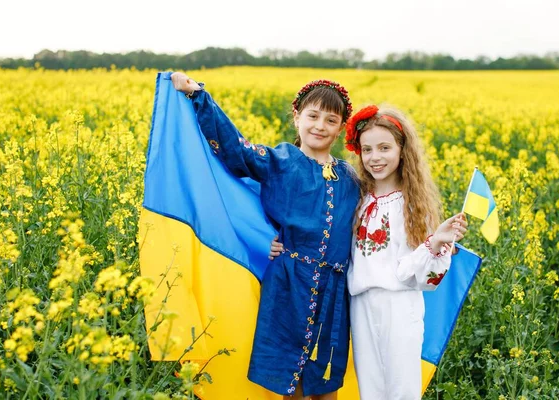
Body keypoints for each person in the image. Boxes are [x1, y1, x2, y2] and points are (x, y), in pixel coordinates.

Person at [171, 72, 360, 400]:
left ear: (341, 126)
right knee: (289, 373)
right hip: (289, 283)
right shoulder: (282, 160)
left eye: (331, 120)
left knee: (328, 378)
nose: (320, 126)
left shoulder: (351, 177)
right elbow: (237, 150)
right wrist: (198, 95)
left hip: (333, 289)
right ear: (297, 117)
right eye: (313, 116)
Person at [343, 104, 468, 399]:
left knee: (402, 389)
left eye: (384, 148)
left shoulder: (412, 205)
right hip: (361, 303)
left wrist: (436, 242)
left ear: (402, 149)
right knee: (370, 389)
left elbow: (418, 276)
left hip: (398, 305)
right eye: (367, 149)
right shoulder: (358, 198)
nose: (375, 157)